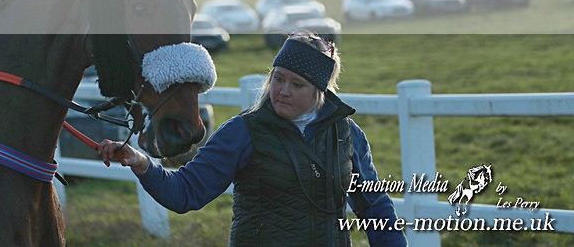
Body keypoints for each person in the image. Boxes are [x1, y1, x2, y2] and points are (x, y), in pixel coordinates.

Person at [98, 30, 407, 246]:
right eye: (278, 79)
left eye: (296, 85)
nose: (282, 91)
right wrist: (140, 163)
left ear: (319, 91)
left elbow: (375, 208)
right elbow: (185, 192)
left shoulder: (347, 134)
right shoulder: (242, 132)